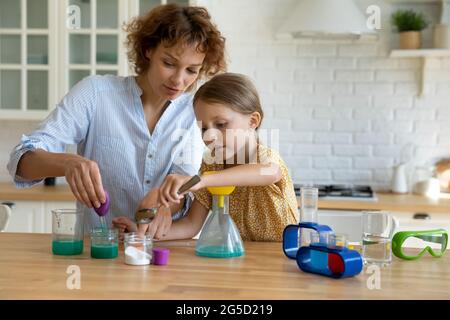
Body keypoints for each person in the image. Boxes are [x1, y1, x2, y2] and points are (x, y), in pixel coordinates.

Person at [6, 4, 226, 238]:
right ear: (148, 50)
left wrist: (165, 204)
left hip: (163, 252)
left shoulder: (194, 112)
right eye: (169, 63)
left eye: (191, 70)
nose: (179, 80)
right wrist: (68, 163)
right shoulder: (96, 94)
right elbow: (21, 161)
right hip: (96, 252)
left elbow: (186, 182)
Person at [116, 73, 298, 241]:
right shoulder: (212, 166)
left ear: (253, 121)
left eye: (220, 124)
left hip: (282, 257)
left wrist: (202, 180)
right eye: (203, 128)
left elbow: (269, 173)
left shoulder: (265, 158)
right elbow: (190, 226)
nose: (209, 136)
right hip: (242, 260)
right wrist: (142, 232)